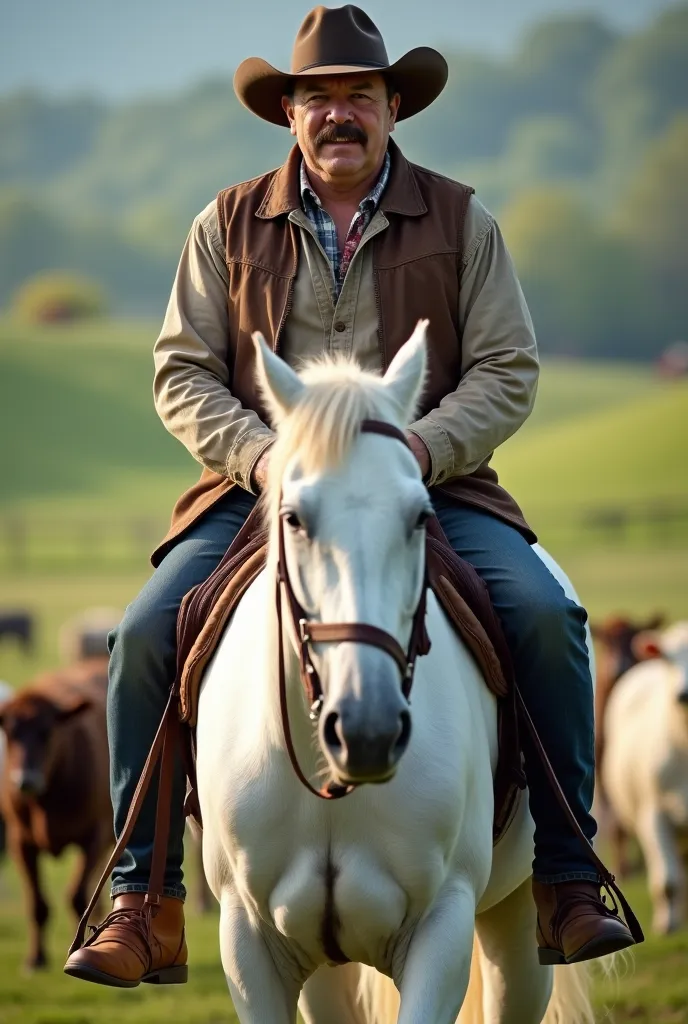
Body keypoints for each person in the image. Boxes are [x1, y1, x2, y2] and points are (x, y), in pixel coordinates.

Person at [64, 3, 637, 989]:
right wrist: (265, 458)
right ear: (287, 112)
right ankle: (139, 897)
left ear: (391, 106)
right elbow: (180, 372)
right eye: (317, 96)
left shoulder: (464, 220)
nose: (338, 113)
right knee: (145, 635)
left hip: (432, 484)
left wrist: (419, 448)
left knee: (545, 614)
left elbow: (506, 368)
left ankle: (569, 876)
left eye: (358, 95)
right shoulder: (224, 223)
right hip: (265, 490)